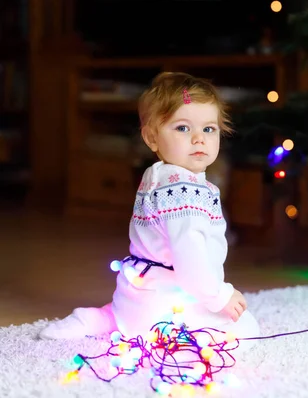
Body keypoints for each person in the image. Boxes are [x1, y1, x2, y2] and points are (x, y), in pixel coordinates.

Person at [39, 72, 259, 350]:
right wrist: (220, 296)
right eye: (182, 128)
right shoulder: (185, 193)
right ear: (152, 138)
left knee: (124, 315)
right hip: (168, 305)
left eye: (208, 129)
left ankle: (103, 319)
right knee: (246, 327)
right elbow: (190, 262)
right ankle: (159, 338)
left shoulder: (157, 175)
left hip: (135, 295)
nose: (198, 139)